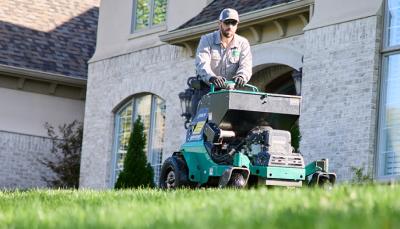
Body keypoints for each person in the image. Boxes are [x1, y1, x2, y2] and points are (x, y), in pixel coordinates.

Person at [190, 8, 252, 117]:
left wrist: (242, 76)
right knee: (200, 127)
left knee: (241, 123)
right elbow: (201, 63)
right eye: (227, 22)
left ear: (237, 25)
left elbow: (246, 65)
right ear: (219, 24)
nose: (230, 26)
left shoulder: (243, 43)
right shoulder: (207, 40)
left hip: (230, 93)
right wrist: (211, 77)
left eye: (233, 23)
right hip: (207, 91)